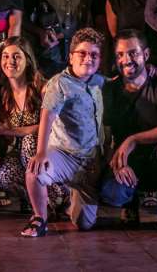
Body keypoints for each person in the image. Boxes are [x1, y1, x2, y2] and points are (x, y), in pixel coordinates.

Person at [98, 30, 157, 238]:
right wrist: (117, 163)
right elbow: (107, 135)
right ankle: (129, 204)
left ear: (146, 55)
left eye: (133, 53)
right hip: (129, 162)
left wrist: (134, 139)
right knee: (112, 193)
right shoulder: (110, 89)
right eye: (120, 55)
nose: (126, 60)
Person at [23, 28, 106, 237]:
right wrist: (41, 152)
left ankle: (72, 197)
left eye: (94, 55)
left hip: (90, 162)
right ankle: (39, 218)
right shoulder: (60, 83)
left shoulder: (99, 81)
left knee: (84, 224)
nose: (88, 58)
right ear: (71, 57)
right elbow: (47, 116)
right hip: (64, 154)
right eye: (82, 53)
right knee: (35, 172)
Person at [0, 38, 44, 216]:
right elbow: (0, 127)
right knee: (2, 177)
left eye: (16, 56)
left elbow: (50, 128)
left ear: (28, 60)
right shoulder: (2, 93)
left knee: (29, 141)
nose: (10, 61)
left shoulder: (41, 87)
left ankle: (54, 198)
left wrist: (8, 130)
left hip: (44, 154)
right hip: (17, 154)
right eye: (5, 56)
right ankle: (35, 199)